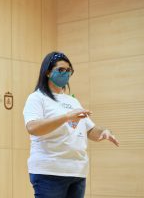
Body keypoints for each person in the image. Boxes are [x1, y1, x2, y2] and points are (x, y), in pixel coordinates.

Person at [23, 51, 119, 198]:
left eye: (69, 70)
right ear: (48, 72)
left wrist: (104, 132)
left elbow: (90, 129)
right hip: (49, 172)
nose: (65, 73)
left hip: (77, 172)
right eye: (61, 70)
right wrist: (66, 117)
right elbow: (33, 128)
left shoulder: (72, 101)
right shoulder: (37, 98)